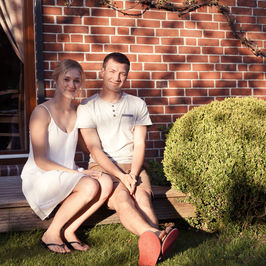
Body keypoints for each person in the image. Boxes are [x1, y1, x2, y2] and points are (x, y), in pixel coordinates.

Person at [77, 52, 178, 265]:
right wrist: (121, 177)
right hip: (104, 167)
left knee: (142, 199)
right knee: (123, 199)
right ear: (102, 71)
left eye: (122, 73)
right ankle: (157, 235)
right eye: (112, 71)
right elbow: (94, 149)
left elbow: (140, 143)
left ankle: (153, 248)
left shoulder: (137, 105)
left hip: (134, 166)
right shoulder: (87, 107)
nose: (117, 77)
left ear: (127, 76)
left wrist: (132, 173)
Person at [21, 59, 113, 254]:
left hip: (66, 173)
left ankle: (70, 230)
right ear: (56, 80)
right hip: (41, 176)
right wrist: (77, 173)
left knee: (105, 182)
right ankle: (51, 234)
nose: (72, 85)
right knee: (89, 184)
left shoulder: (78, 112)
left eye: (77, 81)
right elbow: (41, 161)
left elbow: (89, 146)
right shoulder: (41, 112)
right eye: (67, 79)